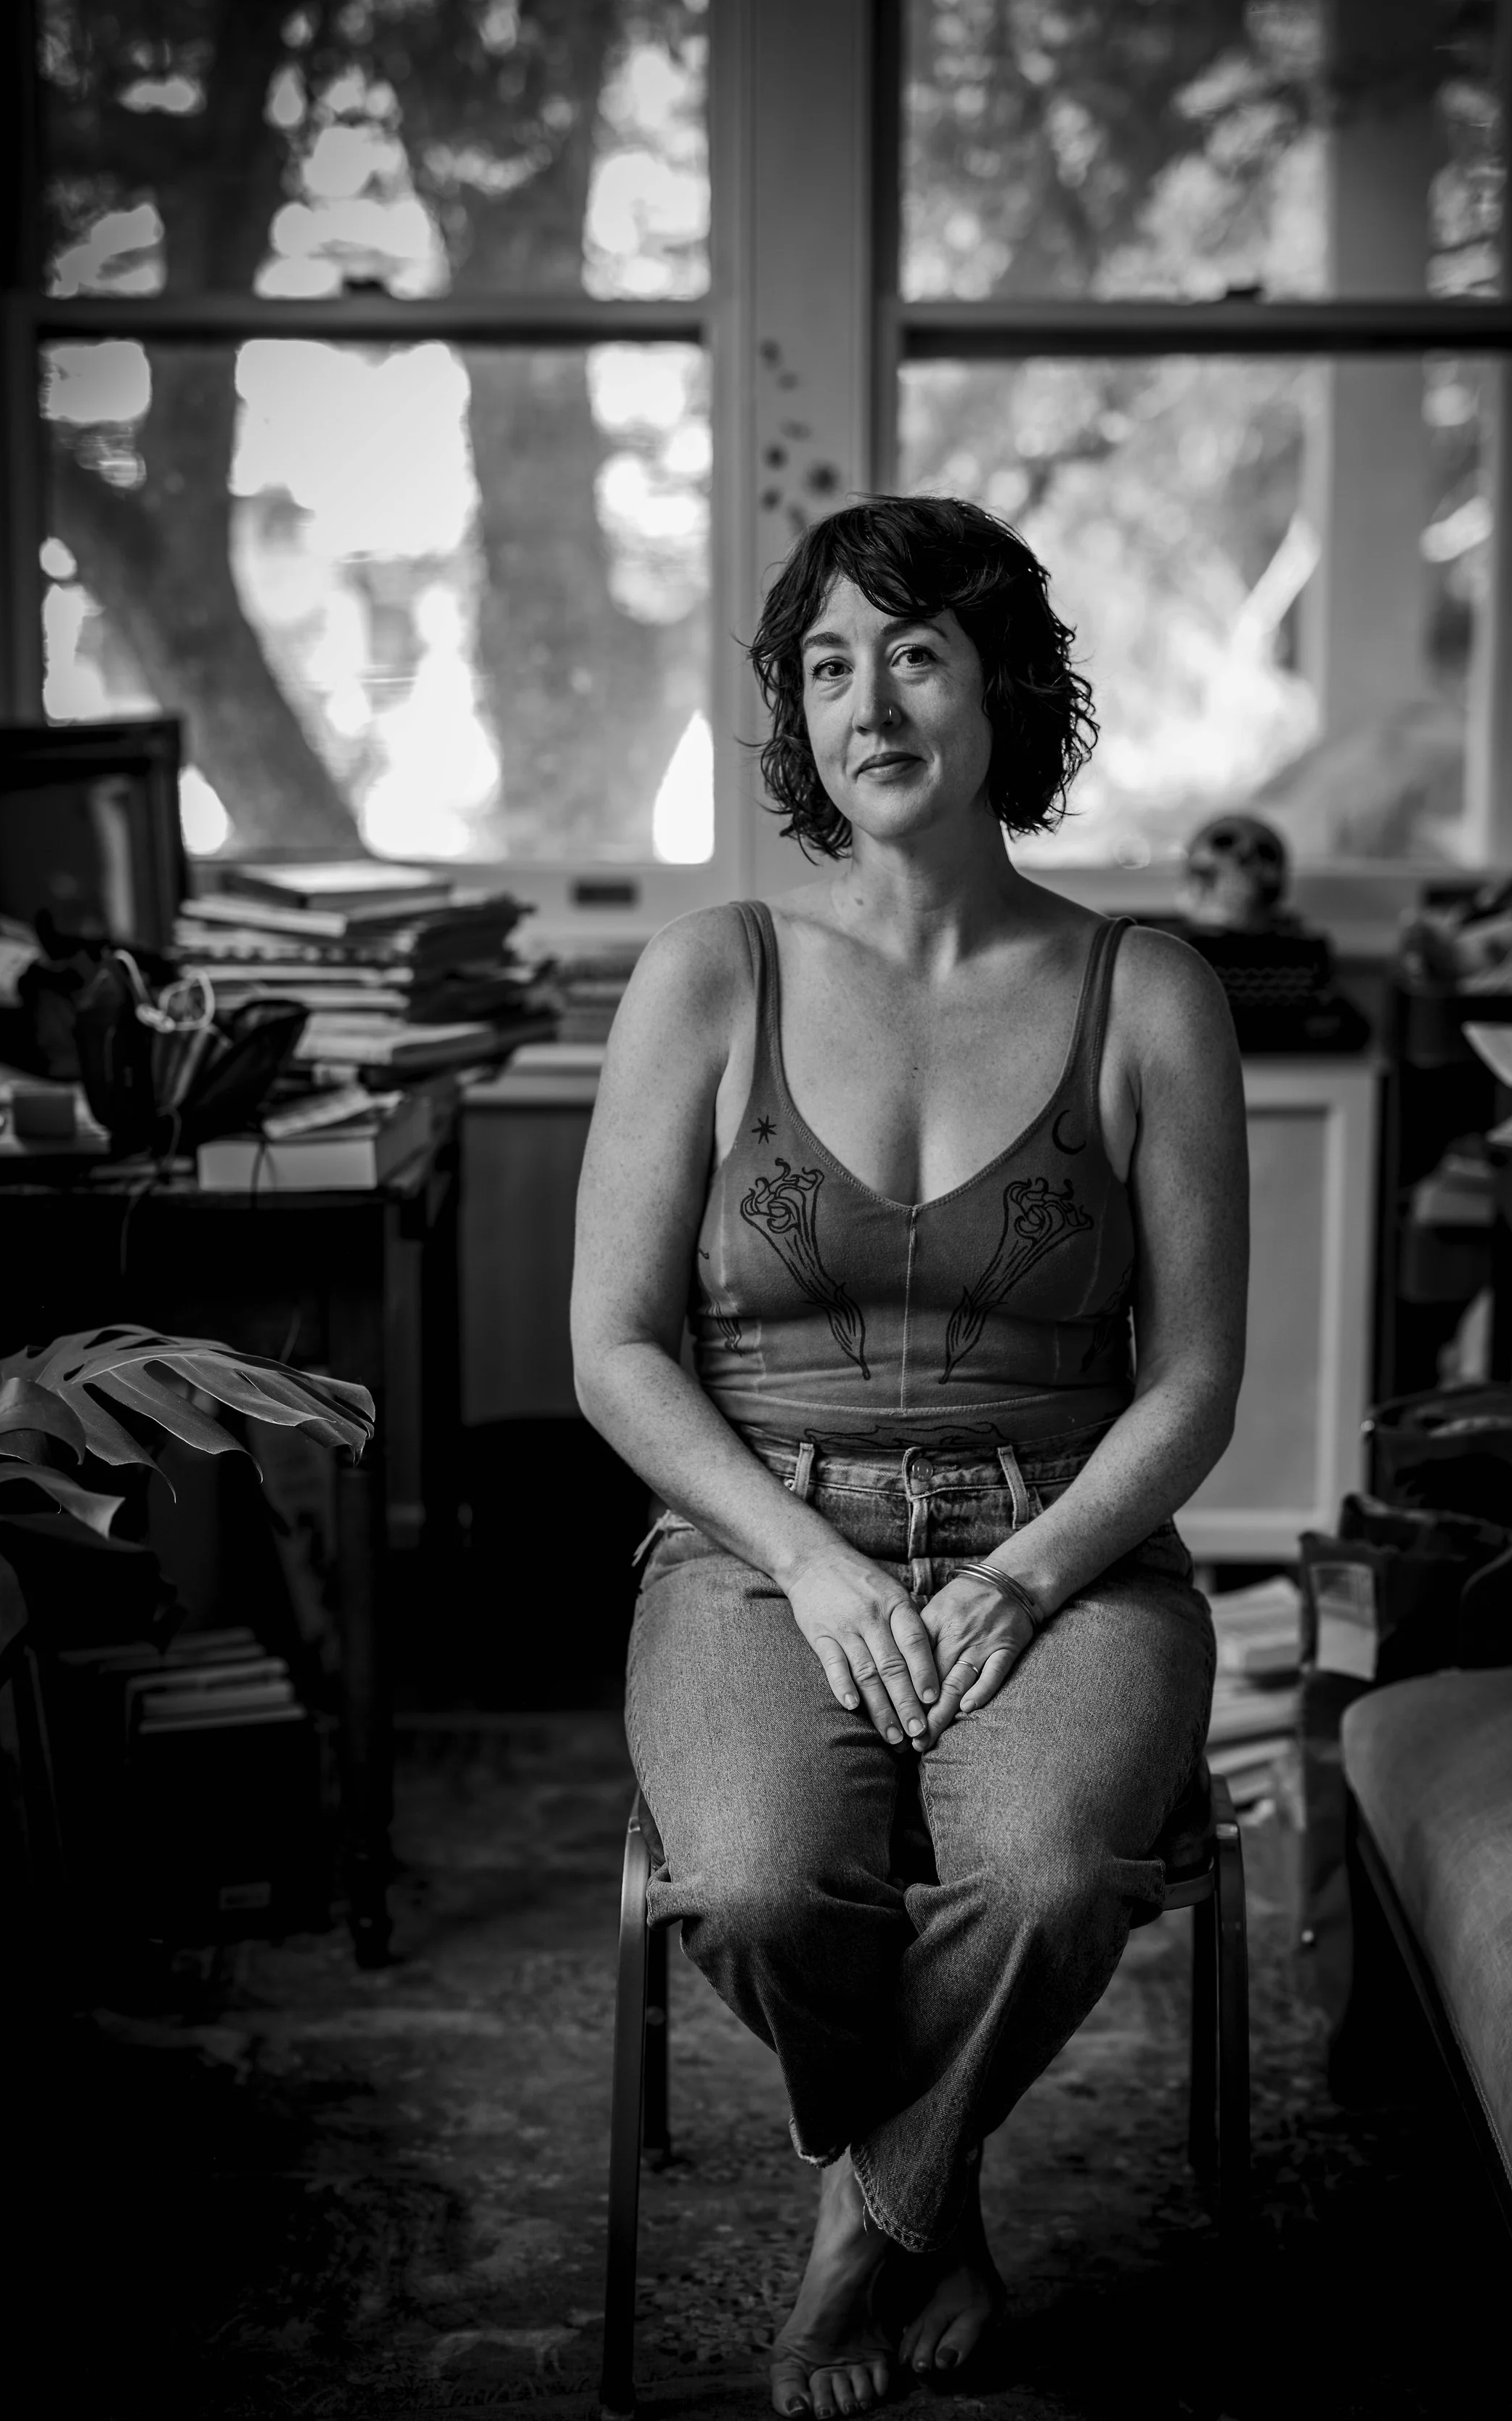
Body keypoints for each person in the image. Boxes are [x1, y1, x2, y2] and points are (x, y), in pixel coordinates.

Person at [572, 495, 1248, 2417]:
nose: (868, 703)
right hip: (755, 1541)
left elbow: (1196, 1380)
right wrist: (807, 1561)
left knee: (1051, 1874)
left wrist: (1024, 1579)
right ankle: (936, 2201)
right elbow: (615, 1349)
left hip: (1068, 1546)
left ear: (1001, 686)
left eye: (917, 654)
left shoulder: (1151, 993)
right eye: (827, 664)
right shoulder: (710, 977)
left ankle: (864, 2214)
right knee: (758, 1889)